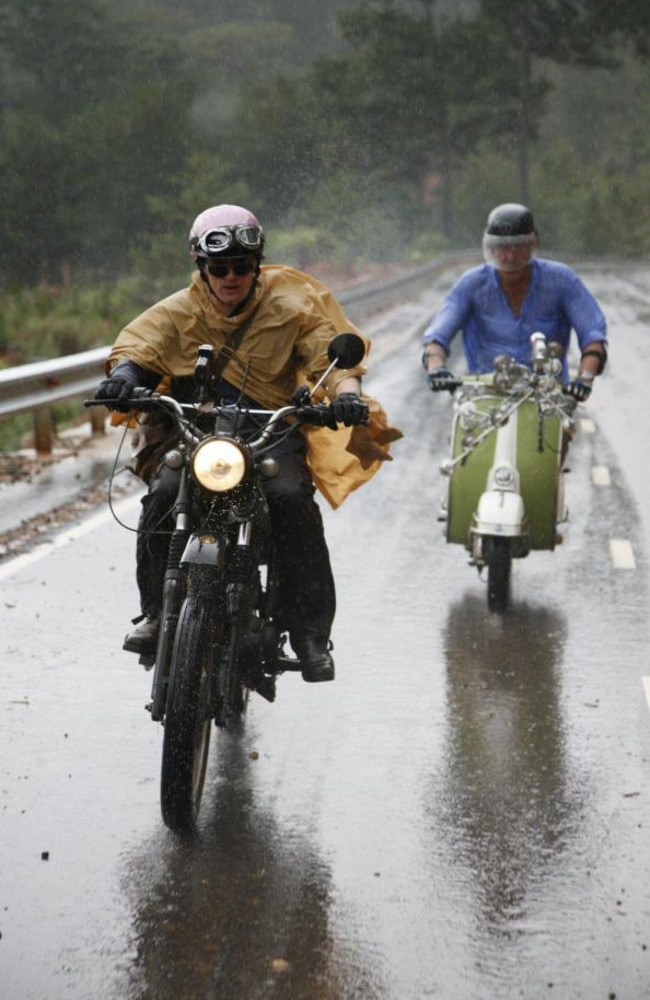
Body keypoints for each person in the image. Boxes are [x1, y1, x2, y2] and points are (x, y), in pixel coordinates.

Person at [94, 204, 400, 683]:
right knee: (162, 494)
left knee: (292, 500)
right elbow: (138, 348)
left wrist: (346, 398)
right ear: (202, 267)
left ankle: (309, 632)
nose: (230, 276)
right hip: (195, 433)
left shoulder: (292, 308)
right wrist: (126, 377)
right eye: (220, 268)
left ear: (256, 266)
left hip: (268, 433)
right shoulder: (178, 311)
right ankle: (155, 612)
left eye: (241, 266)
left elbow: (334, 360)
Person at [421, 203, 608, 396]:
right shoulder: (471, 284)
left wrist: (585, 378)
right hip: (485, 396)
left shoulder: (562, 280)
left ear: (532, 245)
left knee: (565, 425)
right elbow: (437, 335)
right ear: (491, 249)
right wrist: (437, 368)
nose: (510, 257)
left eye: (518, 247)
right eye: (502, 248)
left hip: (547, 397)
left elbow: (592, 335)